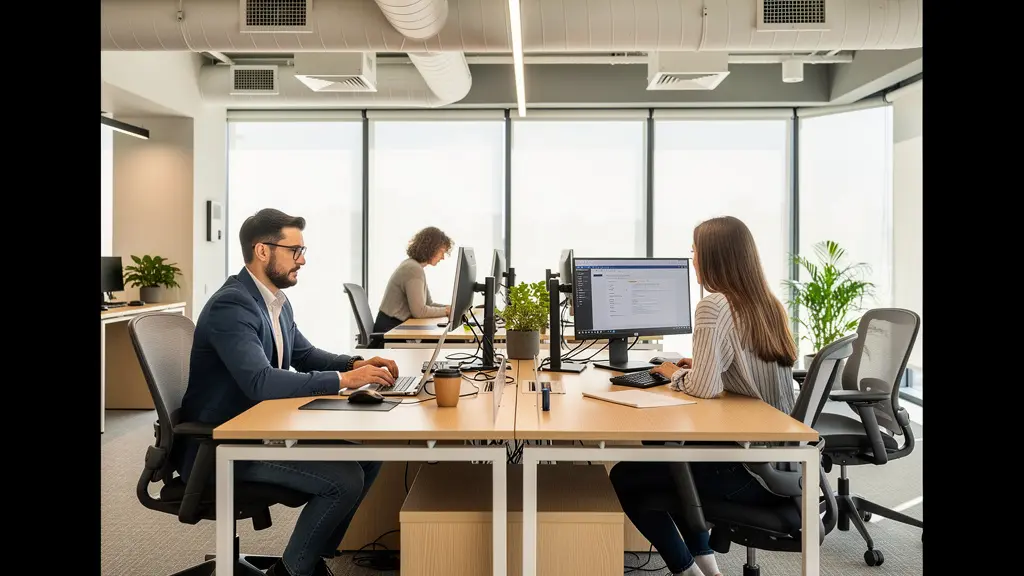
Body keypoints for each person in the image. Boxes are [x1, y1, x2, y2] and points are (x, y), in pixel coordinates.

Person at [181, 208, 400, 576]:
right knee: (343, 480)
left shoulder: (275, 302)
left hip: (258, 430)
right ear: (262, 250)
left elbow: (304, 355)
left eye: (303, 250)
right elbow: (261, 382)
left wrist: (356, 364)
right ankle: (292, 571)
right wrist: (344, 382)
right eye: (294, 250)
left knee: (369, 457)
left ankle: (309, 559)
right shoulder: (232, 306)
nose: (302, 260)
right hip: (223, 443)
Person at [608, 216, 799, 576]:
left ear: (713, 256)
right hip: (784, 466)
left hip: (750, 472)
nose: (692, 258)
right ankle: (708, 567)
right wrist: (703, 364)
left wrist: (674, 373)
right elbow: (743, 364)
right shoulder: (766, 303)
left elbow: (706, 388)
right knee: (666, 451)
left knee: (627, 476)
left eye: (695, 250)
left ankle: (687, 570)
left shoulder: (714, 305)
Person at [373, 226, 454, 336]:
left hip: (395, 326)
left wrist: (450, 308)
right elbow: (419, 312)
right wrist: (446, 311)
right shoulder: (413, 269)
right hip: (389, 330)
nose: (443, 257)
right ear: (431, 249)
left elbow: (428, 304)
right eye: (441, 252)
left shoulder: (415, 267)